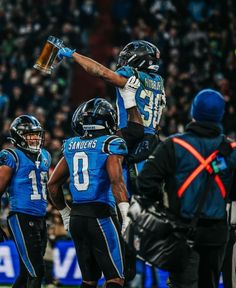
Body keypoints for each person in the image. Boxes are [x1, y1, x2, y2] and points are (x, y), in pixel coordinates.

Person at [136, 89, 236, 288]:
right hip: (216, 234)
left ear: (194, 112)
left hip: (181, 231)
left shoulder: (174, 145)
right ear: (221, 115)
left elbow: (145, 181)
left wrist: (162, 203)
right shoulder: (231, 150)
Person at [48, 98, 130, 288]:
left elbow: (52, 185)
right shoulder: (111, 143)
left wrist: (65, 212)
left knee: (88, 280)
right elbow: (116, 181)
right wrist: (125, 215)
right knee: (116, 278)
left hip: (77, 217)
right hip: (100, 215)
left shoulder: (71, 144)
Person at [57, 40, 166, 165]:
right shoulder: (158, 81)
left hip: (132, 135)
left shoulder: (132, 76)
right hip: (151, 140)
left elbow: (101, 72)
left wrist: (73, 55)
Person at [0, 115, 51, 288]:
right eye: (30, 134)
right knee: (37, 271)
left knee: (26, 272)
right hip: (21, 216)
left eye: (37, 134)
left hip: (41, 217)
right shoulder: (11, 155)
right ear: (18, 135)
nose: (35, 138)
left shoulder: (45, 155)